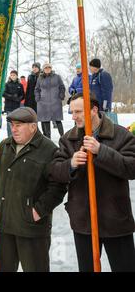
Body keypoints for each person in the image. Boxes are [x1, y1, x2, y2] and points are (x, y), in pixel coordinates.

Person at [51, 92, 135, 272]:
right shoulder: (68, 139)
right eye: (72, 112)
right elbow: (55, 172)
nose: (74, 117)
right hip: (84, 221)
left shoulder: (120, 135)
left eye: (79, 112)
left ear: (94, 109)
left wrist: (101, 151)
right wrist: (71, 164)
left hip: (116, 220)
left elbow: (131, 168)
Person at [0, 107, 66, 272]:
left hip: (31, 229)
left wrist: (38, 211)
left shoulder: (49, 150)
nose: (14, 129)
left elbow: (58, 186)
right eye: (12, 125)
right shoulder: (5, 146)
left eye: (19, 125)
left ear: (33, 127)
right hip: (4, 225)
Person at [35, 63, 66, 139]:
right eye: (46, 68)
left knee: (58, 120)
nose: (47, 69)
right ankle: (48, 139)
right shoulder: (40, 78)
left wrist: (61, 95)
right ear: (43, 69)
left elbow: (62, 87)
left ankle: (63, 138)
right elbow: (37, 89)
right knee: (45, 121)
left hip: (55, 102)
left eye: (49, 67)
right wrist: (38, 98)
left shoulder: (57, 77)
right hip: (43, 103)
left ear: (51, 68)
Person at [3, 70, 25, 137]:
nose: (13, 76)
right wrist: (11, 97)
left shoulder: (20, 85)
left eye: (14, 75)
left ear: (17, 76)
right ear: (10, 76)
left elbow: (23, 95)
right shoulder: (6, 84)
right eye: (11, 75)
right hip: (9, 106)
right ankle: (10, 137)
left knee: (16, 123)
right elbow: (3, 93)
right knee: (9, 123)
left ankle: (16, 136)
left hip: (16, 107)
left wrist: (19, 99)